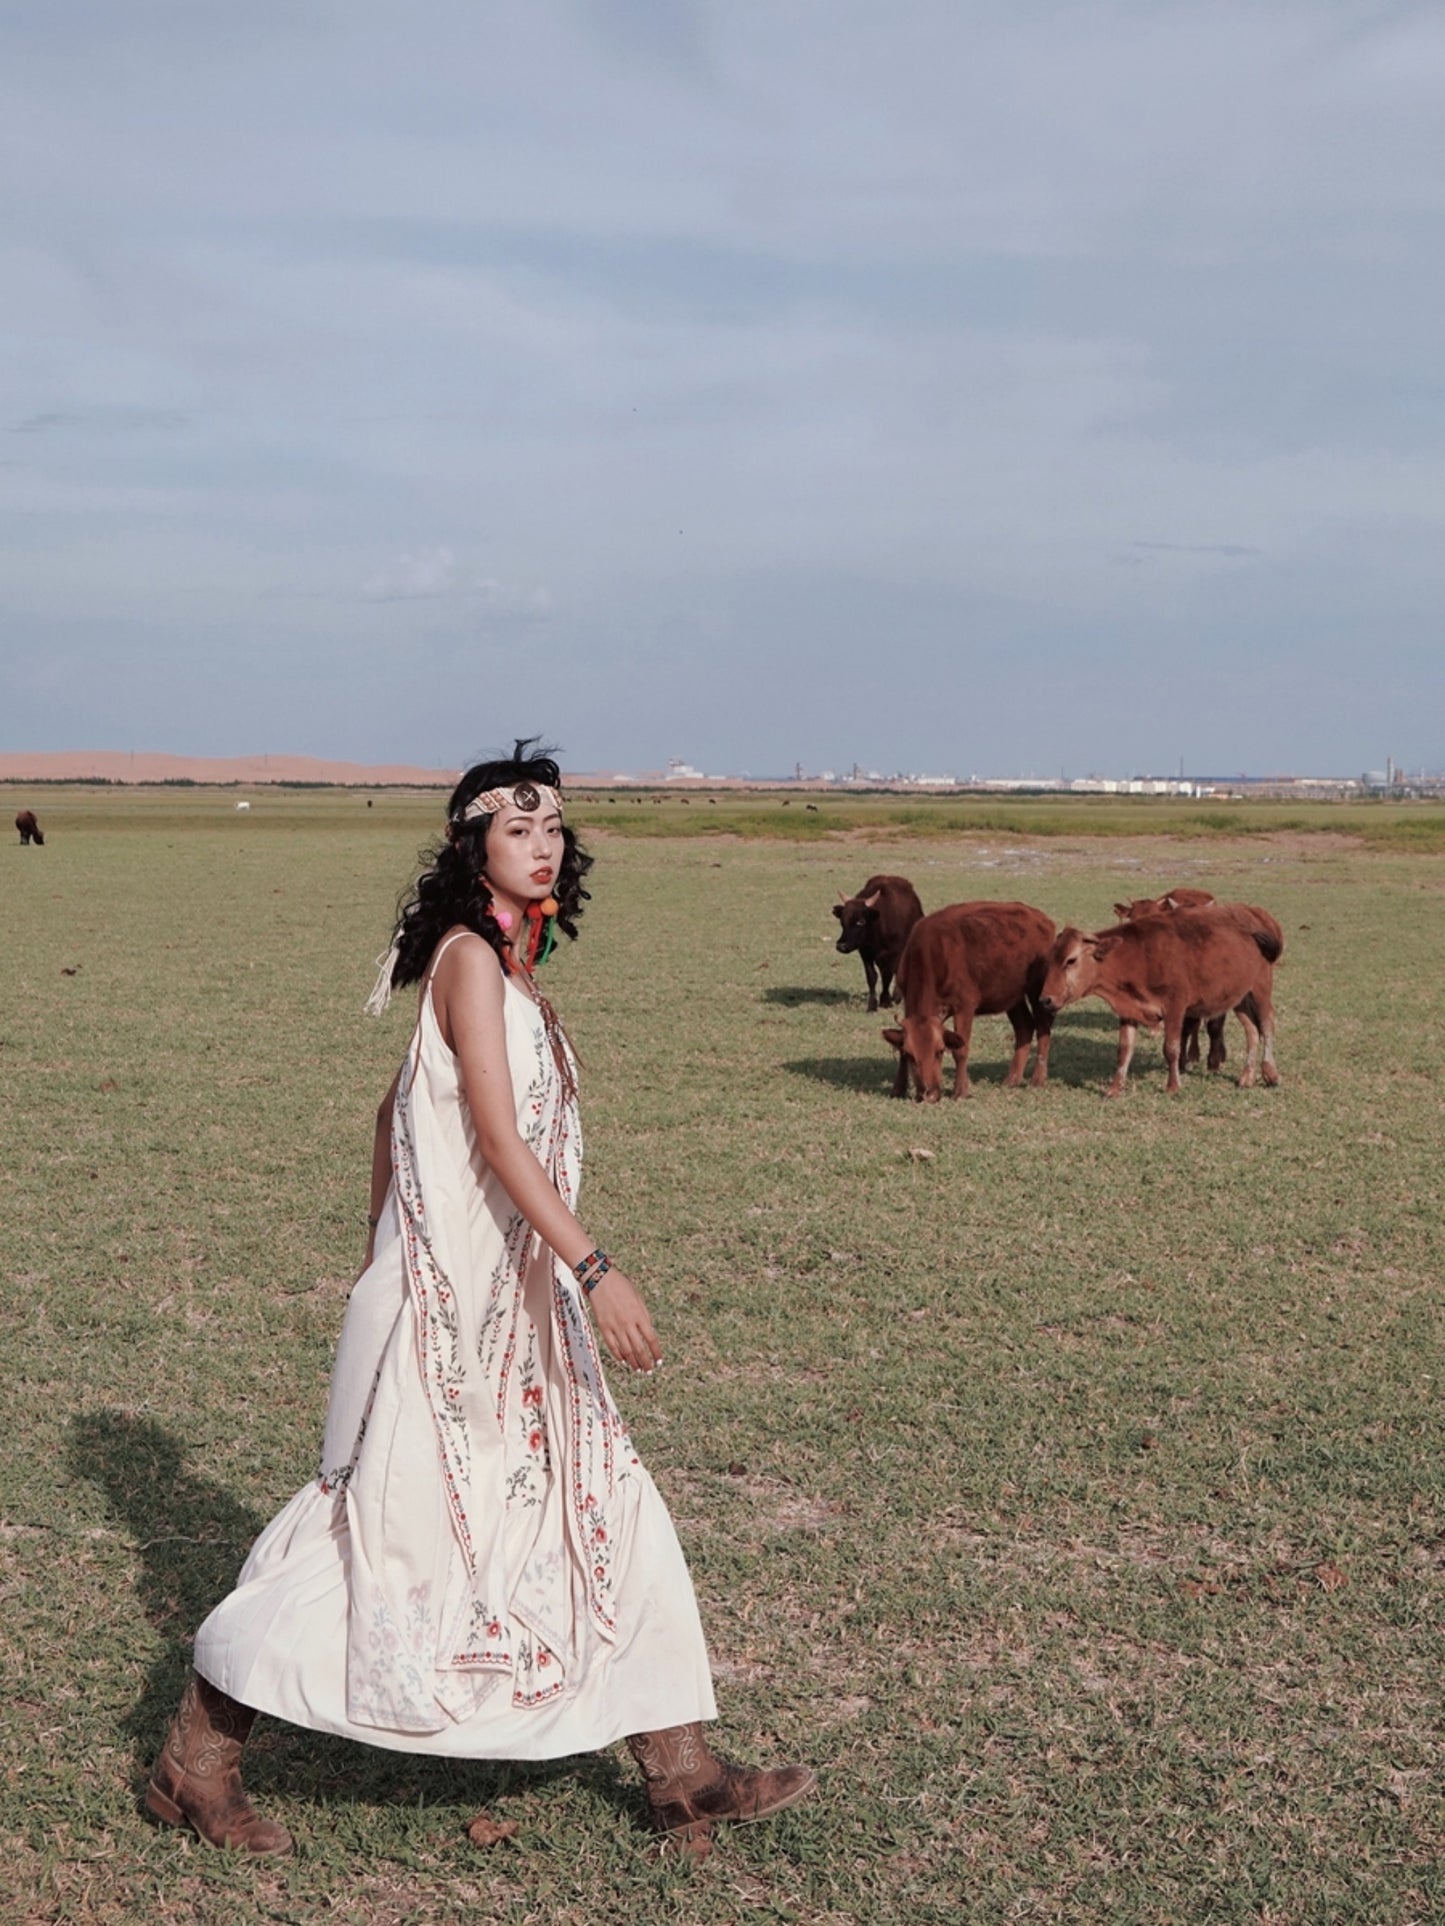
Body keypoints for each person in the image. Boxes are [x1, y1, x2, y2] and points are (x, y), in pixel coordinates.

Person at [147, 742, 816, 1857]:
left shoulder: (509, 972)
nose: (542, 843)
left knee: (602, 1502)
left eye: (552, 826)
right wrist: (580, 1270)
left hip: (513, 1303)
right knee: (379, 1533)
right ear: (473, 849)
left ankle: (683, 1775)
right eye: (517, 829)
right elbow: (498, 1141)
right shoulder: (467, 961)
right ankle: (193, 1762)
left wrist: (420, 1247)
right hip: (460, 1310)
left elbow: (392, 1109)